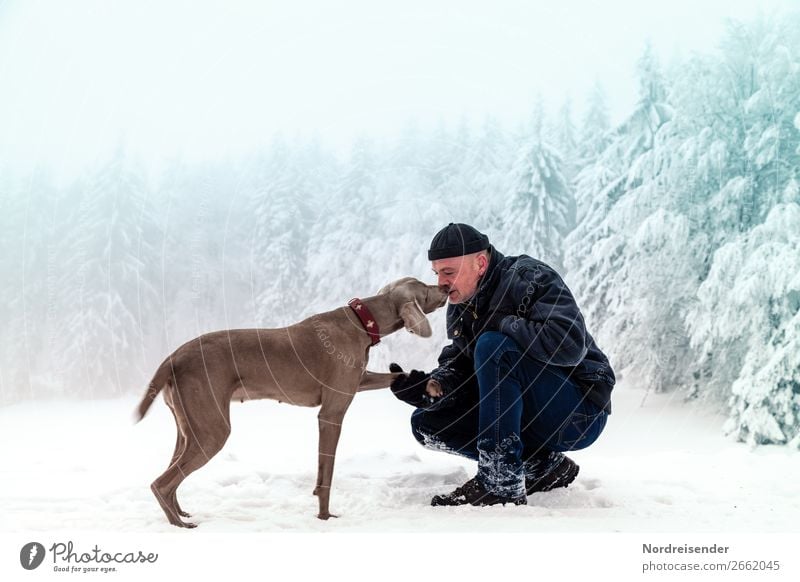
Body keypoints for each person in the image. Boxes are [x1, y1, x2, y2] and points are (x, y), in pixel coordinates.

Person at [389, 223, 615, 506]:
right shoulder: (461, 306)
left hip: (579, 411)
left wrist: (503, 323)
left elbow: (569, 346)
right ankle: (542, 467)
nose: (441, 283)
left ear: (480, 263)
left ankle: (499, 482)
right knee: (427, 422)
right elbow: (461, 363)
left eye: (448, 272)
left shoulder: (529, 278)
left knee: (493, 345)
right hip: (530, 412)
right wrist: (434, 388)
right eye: (437, 274)